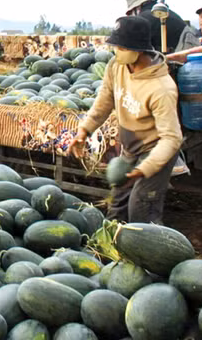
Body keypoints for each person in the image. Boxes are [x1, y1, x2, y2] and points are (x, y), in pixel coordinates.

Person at [69, 16, 182, 224]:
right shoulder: (117, 66)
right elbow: (104, 100)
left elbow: (172, 139)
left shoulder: (161, 88)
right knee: (117, 203)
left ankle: (149, 252)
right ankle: (113, 248)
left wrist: (145, 168)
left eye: (120, 47)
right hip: (130, 149)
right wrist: (84, 131)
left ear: (138, 50)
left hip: (155, 152)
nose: (115, 51)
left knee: (141, 207)